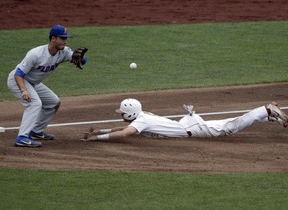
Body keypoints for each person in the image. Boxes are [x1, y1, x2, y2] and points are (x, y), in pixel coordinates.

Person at [7, 25, 88, 147]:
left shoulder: (64, 51)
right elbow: (19, 74)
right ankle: (22, 137)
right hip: (18, 80)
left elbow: (79, 59)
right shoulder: (35, 54)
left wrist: (82, 59)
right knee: (35, 103)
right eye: (62, 38)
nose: (65, 41)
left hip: (34, 83)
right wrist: (23, 90)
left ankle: (36, 131)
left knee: (53, 102)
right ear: (53, 38)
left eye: (66, 38)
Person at [82, 98, 288, 141]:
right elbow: (123, 127)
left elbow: (124, 133)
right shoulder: (142, 117)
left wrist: (97, 138)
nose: (120, 114)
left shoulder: (140, 122)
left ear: (130, 113)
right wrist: (99, 130)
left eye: (122, 112)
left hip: (195, 128)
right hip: (188, 123)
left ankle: (266, 110)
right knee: (230, 123)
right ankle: (265, 115)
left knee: (231, 127)